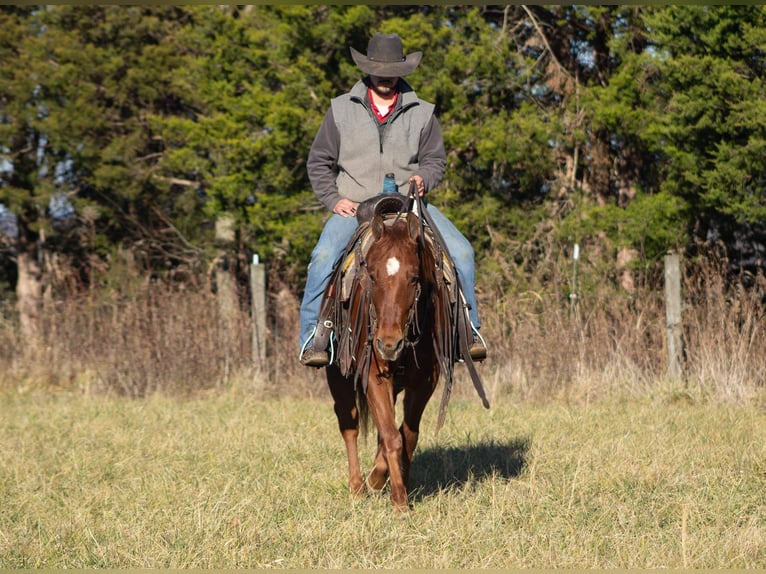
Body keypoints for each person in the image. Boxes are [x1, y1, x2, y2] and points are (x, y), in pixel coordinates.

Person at [298, 32, 487, 367]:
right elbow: (318, 161)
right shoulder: (341, 110)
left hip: (410, 205)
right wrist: (333, 199)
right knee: (324, 255)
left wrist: (423, 179)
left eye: (390, 70)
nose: (384, 77)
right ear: (367, 68)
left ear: (402, 71)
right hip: (355, 206)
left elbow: (435, 161)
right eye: (377, 69)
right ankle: (314, 337)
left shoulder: (423, 113)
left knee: (462, 253)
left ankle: (468, 331)